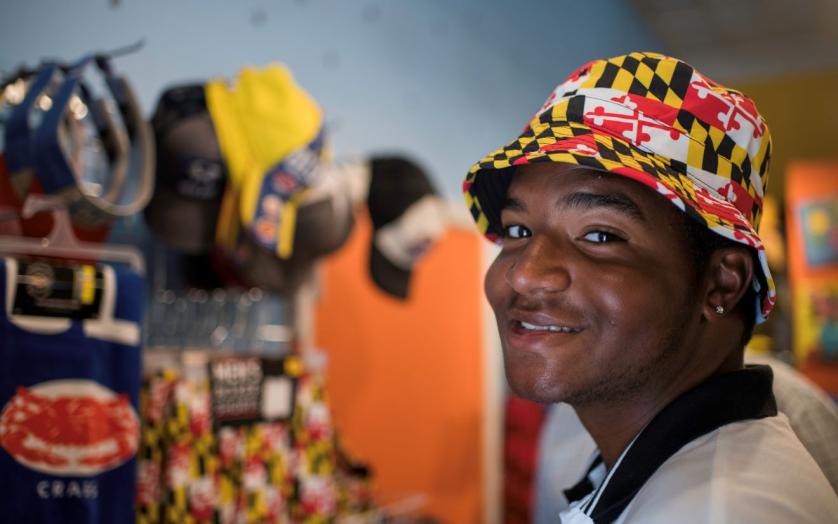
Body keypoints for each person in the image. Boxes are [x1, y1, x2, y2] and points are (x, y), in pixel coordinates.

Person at [462, 51, 838, 523]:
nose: (525, 274)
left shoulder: (720, 511)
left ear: (722, 283)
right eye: (518, 231)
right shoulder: (659, 470)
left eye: (600, 236)